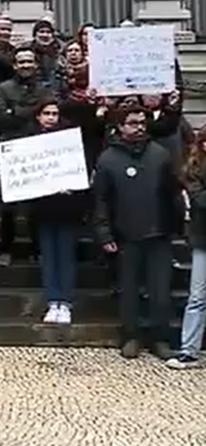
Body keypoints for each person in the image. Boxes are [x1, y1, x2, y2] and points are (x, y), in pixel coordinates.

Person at [93, 104, 179, 360]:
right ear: (120, 126)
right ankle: (131, 336)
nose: (139, 127)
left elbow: (172, 193)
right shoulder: (108, 158)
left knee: (160, 292)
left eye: (142, 122)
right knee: (128, 291)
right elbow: (101, 201)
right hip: (126, 235)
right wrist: (104, 233)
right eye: (132, 123)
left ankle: (160, 338)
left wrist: (175, 225)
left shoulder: (160, 154)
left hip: (159, 233)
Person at [28, 99, 89, 325]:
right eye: (46, 113)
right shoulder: (29, 140)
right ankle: (53, 301)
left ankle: (66, 302)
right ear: (38, 116)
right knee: (49, 257)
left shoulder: (70, 140)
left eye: (54, 113)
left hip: (67, 207)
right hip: (42, 208)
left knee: (65, 256)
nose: (51, 117)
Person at [0, 47, 53, 266]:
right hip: (13, 148)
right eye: (21, 62)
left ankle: (38, 249)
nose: (25, 65)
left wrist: (15, 110)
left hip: (38, 148)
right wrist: (31, 112)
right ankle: (5, 249)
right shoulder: (4, 87)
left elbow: (50, 115)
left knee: (38, 204)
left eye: (29, 61)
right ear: (15, 65)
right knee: (8, 205)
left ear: (35, 64)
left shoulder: (46, 88)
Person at [168, 127, 206, 369]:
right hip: (203, 240)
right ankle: (189, 349)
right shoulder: (193, 171)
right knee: (197, 297)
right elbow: (201, 200)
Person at [30, 19, 62, 91]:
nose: (45, 35)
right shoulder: (27, 50)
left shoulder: (61, 51)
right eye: (41, 32)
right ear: (35, 34)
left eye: (48, 32)